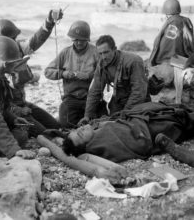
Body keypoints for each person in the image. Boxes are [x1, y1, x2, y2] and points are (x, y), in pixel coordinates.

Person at [0, 10, 63, 137]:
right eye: (10, 39)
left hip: (23, 104)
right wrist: (19, 111)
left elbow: (36, 40)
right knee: (45, 134)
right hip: (12, 111)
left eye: (14, 38)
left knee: (55, 126)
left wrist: (50, 21)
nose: (13, 41)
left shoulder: (17, 48)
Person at [62, 102, 194, 163]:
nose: (80, 128)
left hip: (141, 115)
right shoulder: (104, 142)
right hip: (151, 127)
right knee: (181, 118)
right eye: (80, 134)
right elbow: (139, 141)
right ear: (86, 145)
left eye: (76, 129)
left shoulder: (96, 128)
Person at [78, 35, 150, 126]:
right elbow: (94, 91)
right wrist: (87, 116)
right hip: (118, 102)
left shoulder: (133, 61)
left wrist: (125, 114)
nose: (103, 57)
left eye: (106, 52)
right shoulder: (102, 64)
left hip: (139, 104)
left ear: (115, 49)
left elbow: (139, 92)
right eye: (100, 54)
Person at [44, 20, 100, 128]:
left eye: (82, 40)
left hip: (91, 98)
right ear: (72, 39)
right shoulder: (65, 53)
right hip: (71, 98)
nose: (78, 42)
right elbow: (47, 71)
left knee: (99, 123)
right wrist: (63, 73)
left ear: (87, 39)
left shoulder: (96, 52)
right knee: (66, 125)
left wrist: (89, 76)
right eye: (76, 39)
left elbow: (104, 74)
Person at [149, 0, 194, 66]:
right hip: (179, 61)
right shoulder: (186, 21)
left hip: (163, 62)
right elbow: (190, 47)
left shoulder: (167, 24)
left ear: (166, 14)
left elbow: (156, 47)